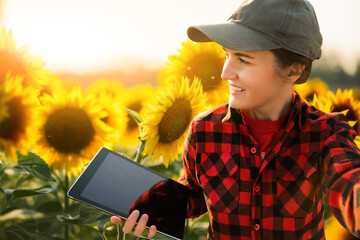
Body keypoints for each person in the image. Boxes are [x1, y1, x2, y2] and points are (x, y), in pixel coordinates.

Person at [111, 0, 360, 239]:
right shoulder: (204, 130)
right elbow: (196, 193)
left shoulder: (325, 133)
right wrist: (157, 205)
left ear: (293, 70)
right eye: (227, 55)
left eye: (243, 59)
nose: (225, 72)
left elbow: (349, 183)